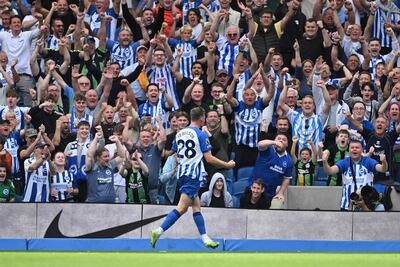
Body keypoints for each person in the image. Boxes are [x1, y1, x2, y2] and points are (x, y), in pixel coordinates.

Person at [150, 107, 235, 249]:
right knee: (182, 208)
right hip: (193, 174)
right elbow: (209, 158)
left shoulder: (180, 133)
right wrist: (226, 164)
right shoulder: (201, 135)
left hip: (182, 173)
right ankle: (158, 231)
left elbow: (175, 153)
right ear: (202, 118)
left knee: (196, 206)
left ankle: (205, 238)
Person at [322, 139, 388, 210]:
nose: (354, 149)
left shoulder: (368, 161)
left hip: (366, 204)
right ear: (349, 150)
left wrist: (384, 162)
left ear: (362, 150)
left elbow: (382, 169)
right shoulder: (344, 162)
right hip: (347, 205)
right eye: (352, 147)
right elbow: (329, 171)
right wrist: (325, 162)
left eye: (357, 147)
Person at [249, 133, 293, 209]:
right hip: (253, 190)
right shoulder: (268, 149)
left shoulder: (288, 160)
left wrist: (280, 193)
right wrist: (274, 143)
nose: (281, 141)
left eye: (284, 140)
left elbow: (287, 178)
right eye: (278, 138)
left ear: (287, 144)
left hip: (268, 194)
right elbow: (260, 144)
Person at [85, 131, 126, 203]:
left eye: (108, 156)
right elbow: (89, 156)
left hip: (110, 204)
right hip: (94, 204)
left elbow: (122, 157)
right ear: (98, 158)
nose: (108, 158)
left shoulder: (110, 165)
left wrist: (117, 141)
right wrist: (96, 139)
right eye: (105, 156)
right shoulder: (93, 167)